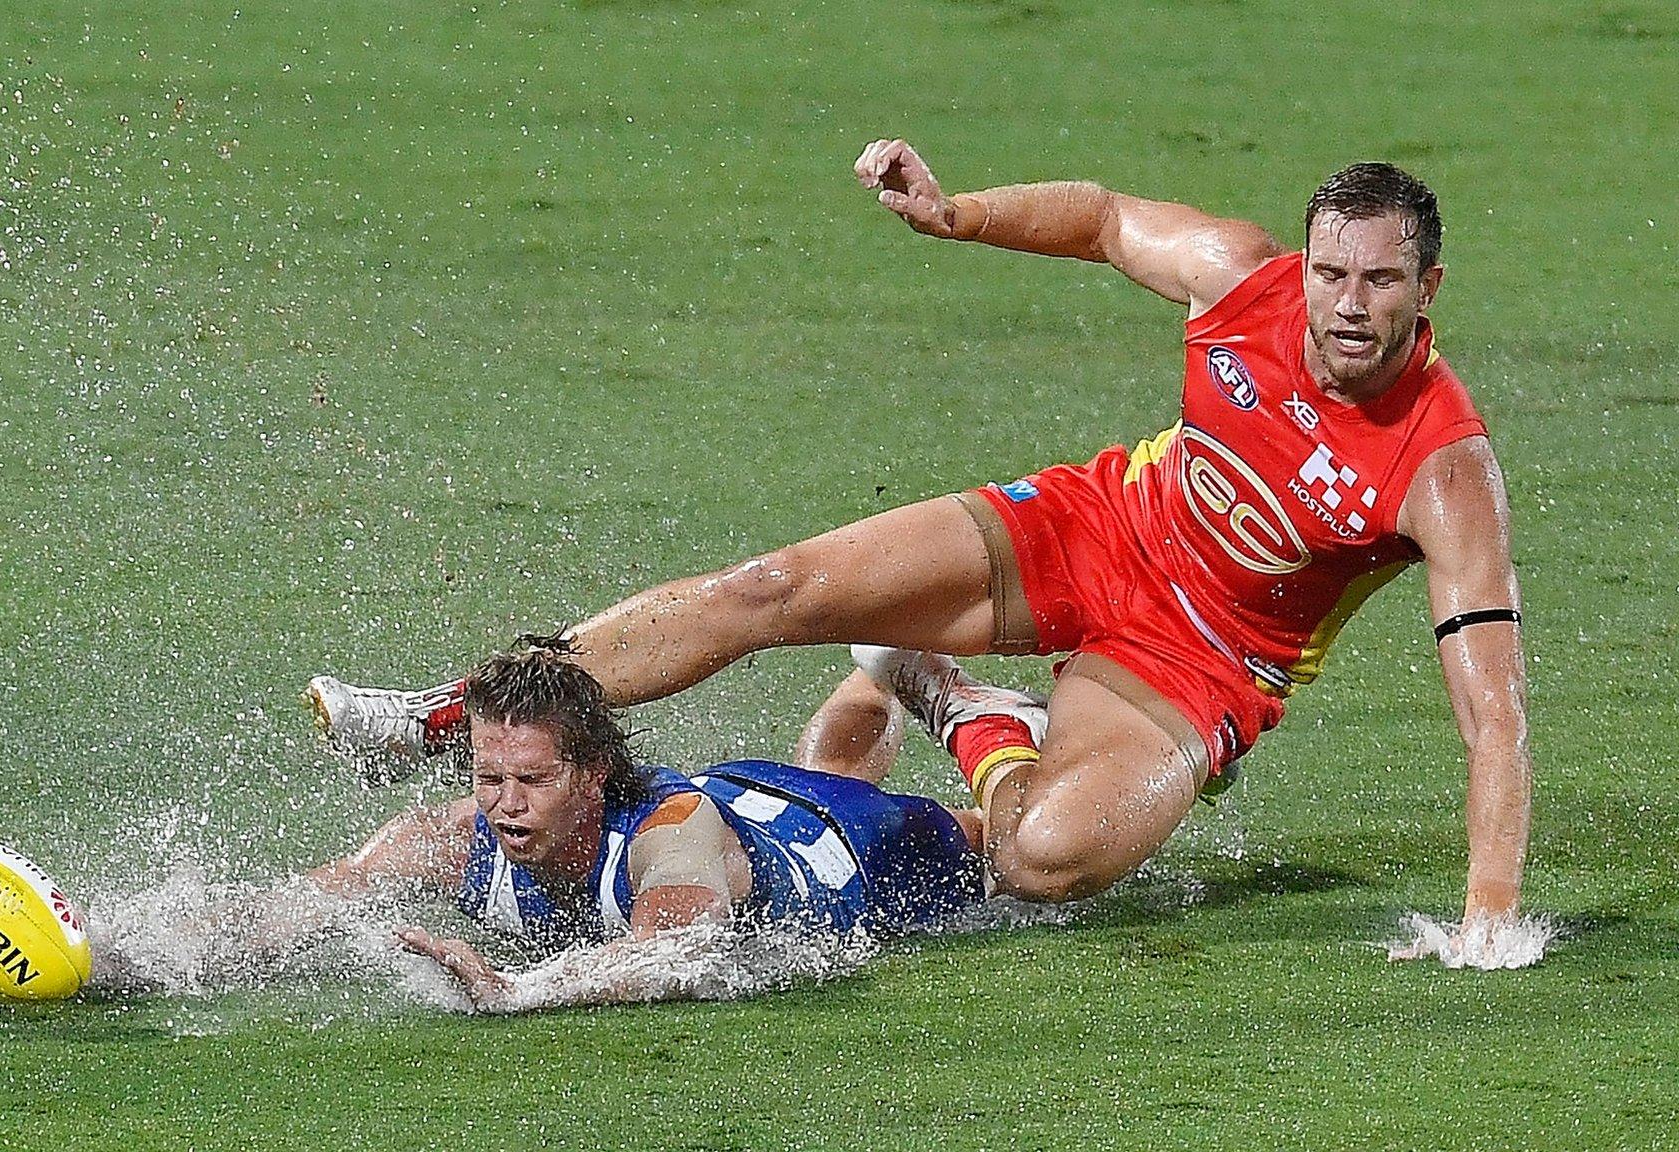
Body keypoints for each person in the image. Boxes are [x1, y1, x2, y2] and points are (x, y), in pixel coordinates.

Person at [305, 145, 1531, 953]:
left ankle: (953, 701)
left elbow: (1491, 720)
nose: (1346, 306)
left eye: (1379, 282)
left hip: (1200, 663)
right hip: (1089, 527)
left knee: (1039, 862)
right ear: (1304, 268)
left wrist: (1486, 920)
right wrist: (957, 217)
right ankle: (432, 718)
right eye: (1331, 275)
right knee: (769, 589)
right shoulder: (1239, 278)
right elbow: (1104, 220)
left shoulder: (1443, 469)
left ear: (1427, 287)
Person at [244, 645, 994, 1010]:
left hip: (850, 847)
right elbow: (318, 895)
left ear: (594, 771)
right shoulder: (459, 835)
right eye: (489, 777)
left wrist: (519, 989)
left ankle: (967, 711)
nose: (506, 804)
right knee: (824, 766)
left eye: (534, 780)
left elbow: (677, 948)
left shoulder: (672, 834)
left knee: (1023, 851)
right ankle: (882, 668)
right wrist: (151, 950)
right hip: (752, 797)